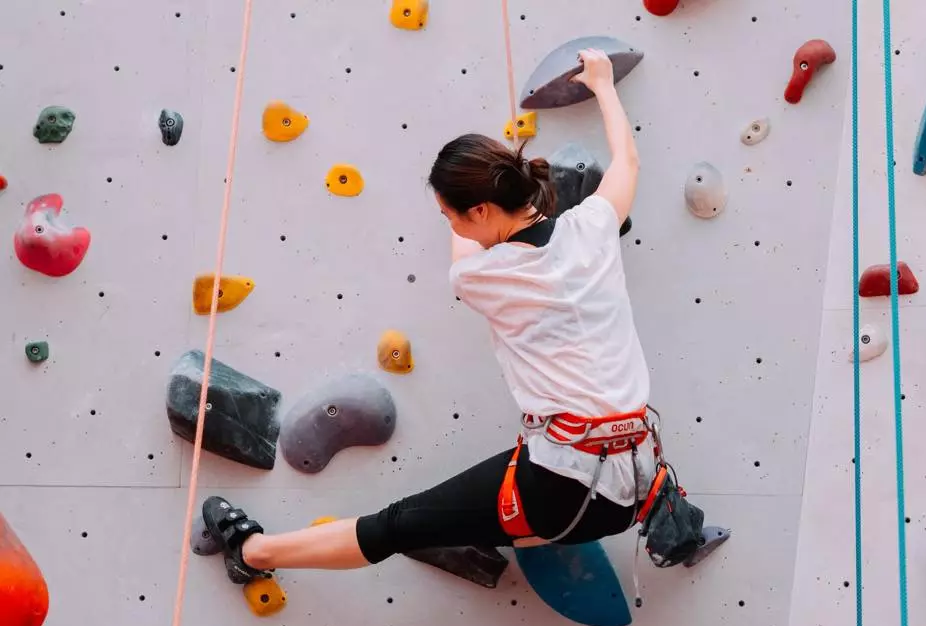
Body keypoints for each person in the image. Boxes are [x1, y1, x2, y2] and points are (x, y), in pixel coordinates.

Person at [201, 48, 660, 585]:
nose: (450, 224)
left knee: (395, 525)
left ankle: (251, 554)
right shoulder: (594, 228)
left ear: (481, 210)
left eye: (449, 213)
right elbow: (627, 162)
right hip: (636, 478)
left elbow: (468, 245)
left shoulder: (483, 276)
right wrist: (603, 84)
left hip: (565, 490)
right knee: (468, 509)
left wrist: (471, 195)